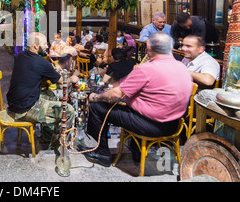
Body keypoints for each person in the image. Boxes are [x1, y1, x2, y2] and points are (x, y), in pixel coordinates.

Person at [77, 33, 193, 167]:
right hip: (174, 125)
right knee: (133, 106)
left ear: (149, 48)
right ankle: (136, 152)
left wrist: (96, 97)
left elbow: (116, 94)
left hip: (151, 125)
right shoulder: (182, 67)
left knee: (97, 108)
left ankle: (102, 153)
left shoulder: (147, 69)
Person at [6, 32, 74, 150]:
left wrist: (49, 73)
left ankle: (46, 137)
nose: (48, 47)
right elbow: (63, 81)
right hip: (25, 109)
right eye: (44, 44)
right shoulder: (42, 63)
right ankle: (57, 145)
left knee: (50, 94)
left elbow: (30, 73)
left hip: (14, 102)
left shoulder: (20, 56)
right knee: (69, 110)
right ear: (36, 45)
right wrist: (74, 77)